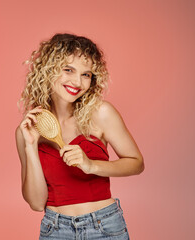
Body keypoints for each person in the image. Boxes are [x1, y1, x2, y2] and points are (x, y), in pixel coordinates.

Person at [15, 33, 144, 240]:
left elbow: (136, 163)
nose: (77, 81)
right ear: (47, 70)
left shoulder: (101, 113)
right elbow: (37, 203)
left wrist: (91, 165)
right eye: (68, 70)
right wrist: (30, 146)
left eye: (86, 74)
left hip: (104, 227)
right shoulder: (29, 130)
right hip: (54, 230)